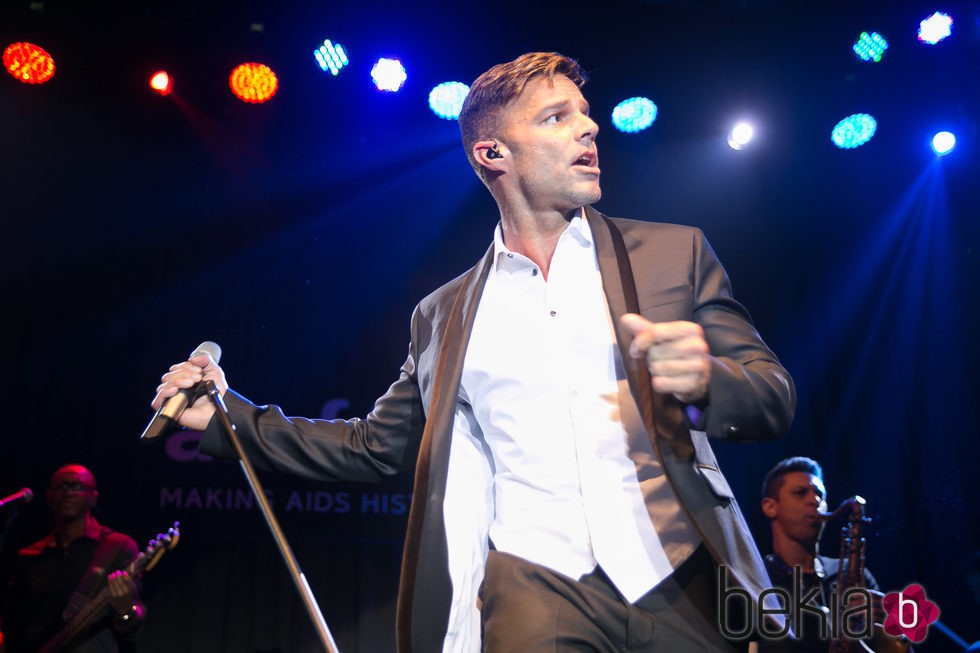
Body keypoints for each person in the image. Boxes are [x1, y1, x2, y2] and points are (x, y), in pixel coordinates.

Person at [153, 52, 796, 652]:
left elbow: (772, 397)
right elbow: (376, 446)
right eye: (557, 117)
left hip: (680, 575)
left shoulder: (672, 255)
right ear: (493, 152)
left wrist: (709, 380)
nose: (589, 128)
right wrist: (228, 420)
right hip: (535, 585)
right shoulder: (442, 315)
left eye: (585, 114)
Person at [758, 456, 908, 652]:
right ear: (770, 506)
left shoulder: (851, 574)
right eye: (800, 493)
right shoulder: (757, 579)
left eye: (820, 495)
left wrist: (890, 628)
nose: (815, 500)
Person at [0, 464, 145, 653]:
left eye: (77, 486)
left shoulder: (117, 547)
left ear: (93, 497)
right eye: (61, 486)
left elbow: (132, 621)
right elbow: (13, 624)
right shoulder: (29, 556)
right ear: (49, 496)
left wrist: (126, 610)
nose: (68, 492)